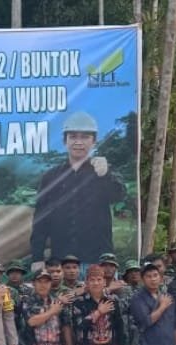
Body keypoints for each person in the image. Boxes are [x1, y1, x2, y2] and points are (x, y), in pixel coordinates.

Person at [30, 111, 126, 268]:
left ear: (94, 141)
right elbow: (40, 219)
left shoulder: (103, 171)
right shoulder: (51, 176)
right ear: (65, 141)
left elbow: (118, 195)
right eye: (73, 137)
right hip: (60, 263)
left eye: (85, 137)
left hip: (98, 262)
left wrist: (106, 175)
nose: (79, 142)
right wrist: (37, 258)